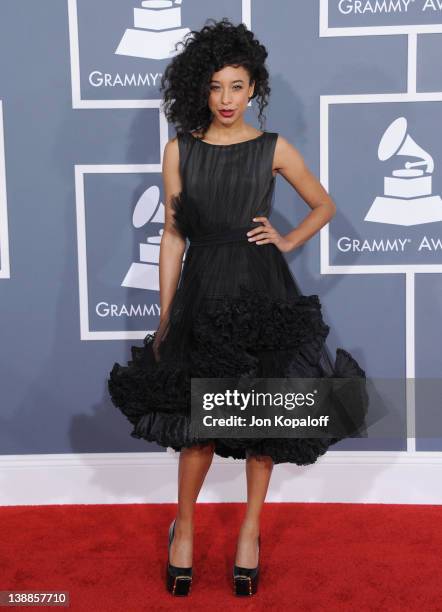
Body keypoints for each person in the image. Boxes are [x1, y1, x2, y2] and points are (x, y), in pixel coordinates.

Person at [108, 17, 368, 597]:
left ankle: (250, 531)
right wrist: (166, 315)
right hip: (203, 290)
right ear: (201, 87)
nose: (226, 99)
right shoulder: (182, 149)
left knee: (258, 422)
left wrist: (286, 239)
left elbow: (323, 205)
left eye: (238, 86)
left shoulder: (274, 149)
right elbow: (174, 238)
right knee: (200, 425)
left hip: (260, 291)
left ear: (254, 89)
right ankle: (186, 531)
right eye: (216, 86)